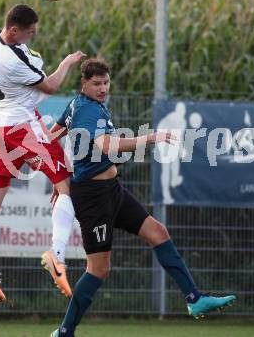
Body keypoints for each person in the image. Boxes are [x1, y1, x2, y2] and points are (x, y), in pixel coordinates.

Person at [48, 58, 236, 336]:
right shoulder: (88, 110)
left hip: (113, 191)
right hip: (93, 198)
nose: (103, 88)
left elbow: (53, 136)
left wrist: (58, 174)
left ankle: (194, 299)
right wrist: (149, 138)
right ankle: (65, 332)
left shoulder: (79, 104)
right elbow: (109, 147)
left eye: (106, 83)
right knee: (99, 269)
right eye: (97, 83)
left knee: (158, 232)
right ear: (84, 83)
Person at [0, 4, 85, 302]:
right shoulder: (16, 59)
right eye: (29, 33)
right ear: (13, 31)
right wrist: (67, 63)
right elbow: (49, 86)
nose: (31, 38)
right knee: (67, 186)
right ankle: (56, 255)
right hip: (23, 128)